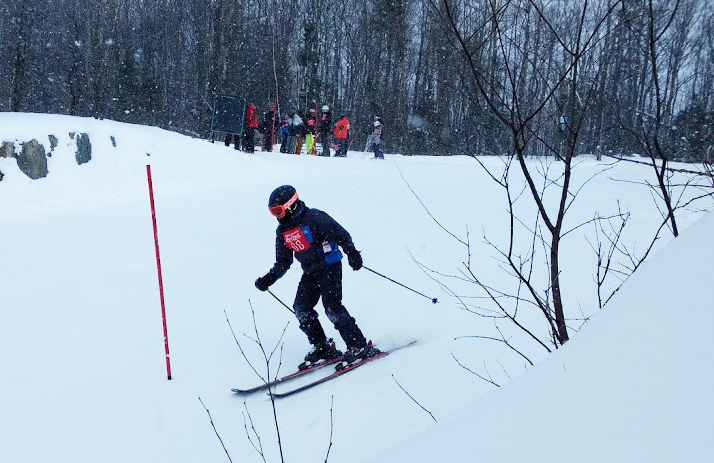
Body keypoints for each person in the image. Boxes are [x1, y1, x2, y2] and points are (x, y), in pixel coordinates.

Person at [254, 185, 379, 370]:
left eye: (278, 211)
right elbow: (283, 261)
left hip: (330, 265)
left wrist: (352, 252)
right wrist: (269, 278)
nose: (276, 216)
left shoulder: (314, 217)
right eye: (272, 212)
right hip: (310, 271)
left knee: (332, 307)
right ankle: (322, 347)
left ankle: (358, 345)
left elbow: (341, 233)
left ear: (290, 206)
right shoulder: (282, 232)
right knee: (301, 308)